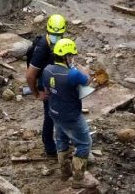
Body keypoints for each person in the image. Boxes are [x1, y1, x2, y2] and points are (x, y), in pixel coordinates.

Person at [41, 38, 100, 189]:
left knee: (61, 140)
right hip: (71, 115)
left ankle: (65, 172)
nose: (72, 58)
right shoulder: (72, 74)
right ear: (67, 56)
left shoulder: (47, 70)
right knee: (84, 144)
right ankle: (78, 179)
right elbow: (86, 80)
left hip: (54, 112)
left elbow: (47, 92)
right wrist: (80, 69)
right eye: (71, 55)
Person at [22, 14, 69, 161]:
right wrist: (37, 93)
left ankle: (62, 140)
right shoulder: (43, 47)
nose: (56, 36)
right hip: (45, 84)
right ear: (48, 31)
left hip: (54, 80)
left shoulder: (58, 42)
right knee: (50, 115)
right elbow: (30, 75)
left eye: (59, 34)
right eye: (54, 34)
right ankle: (50, 147)